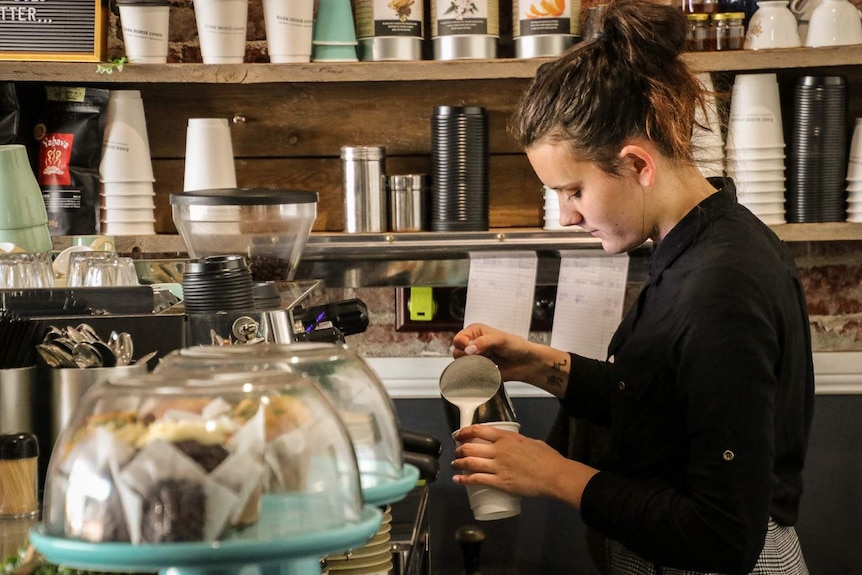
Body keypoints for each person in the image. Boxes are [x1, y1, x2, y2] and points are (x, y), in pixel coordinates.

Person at [449, 1, 815, 573]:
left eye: (573, 191)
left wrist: (554, 474)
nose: (567, 215)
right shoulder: (694, 245)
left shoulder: (721, 288)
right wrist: (544, 366)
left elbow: (724, 537)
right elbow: (662, 401)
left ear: (637, 164)